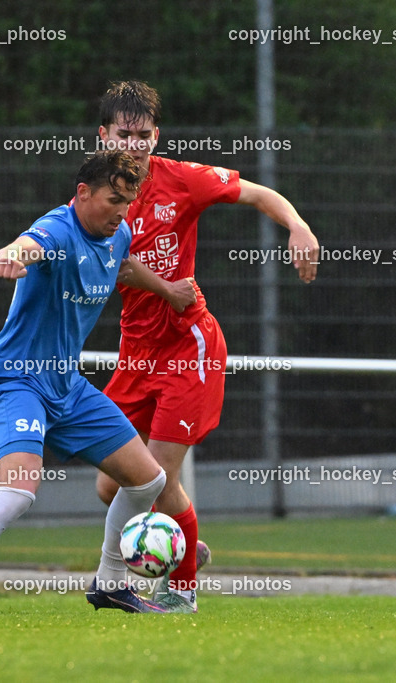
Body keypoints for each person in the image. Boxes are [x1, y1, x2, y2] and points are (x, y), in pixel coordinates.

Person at [0, 150, 197, 615]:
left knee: (149, 481)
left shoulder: (118, 233)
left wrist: (165, 289)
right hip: (17, 380)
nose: (122, 211)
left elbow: (122, 264)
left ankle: (109, 584)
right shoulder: (58, 230)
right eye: (112, 199)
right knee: (19, 491)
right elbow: (28, 244)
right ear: (82, 193)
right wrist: (10, 253)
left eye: (128, 201)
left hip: (67, 386)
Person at [94, 81, 320, 613]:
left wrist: (299, 226)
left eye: (144, 134)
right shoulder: (93, 195)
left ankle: (184, 590)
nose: (135, 144)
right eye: (124, 134)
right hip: (136, 352)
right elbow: (112, 265)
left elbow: (260, 194)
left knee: (155, 479)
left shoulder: (183, 179)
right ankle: (186, 544)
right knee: (110, 486)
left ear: (157, 135)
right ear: (103, 135)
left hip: (188, 346)